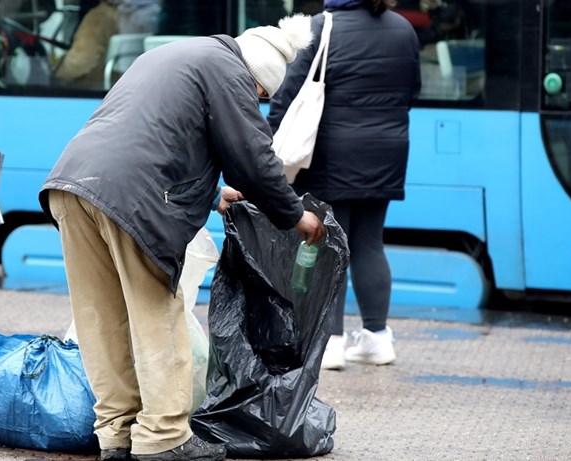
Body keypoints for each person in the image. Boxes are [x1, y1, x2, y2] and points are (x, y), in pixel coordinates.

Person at [39, 14, 323, 461]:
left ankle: (116, 433)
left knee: (101, 318)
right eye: (260, 96)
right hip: (131, 200)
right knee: (158, 314)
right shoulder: (231, 72)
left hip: (71, 186)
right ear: (258, 78)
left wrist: (214, 194)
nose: (256, 102)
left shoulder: (177, 55)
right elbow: (253, 157)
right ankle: (164, 438)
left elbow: (152, 137)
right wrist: (295, 216)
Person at [267, 0, 420, 371]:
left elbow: (288, 95)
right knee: (369, 242)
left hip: (331, 152)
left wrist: (269, 144)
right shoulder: (403, 29)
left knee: (324, 244)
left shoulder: (322, 26)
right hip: (387, 151)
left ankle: (331, 343)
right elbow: (412, 90)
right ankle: (377, 339)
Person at [53, 0, 119, 88]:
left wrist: (54, 77)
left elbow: (79, 64)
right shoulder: (136, 15)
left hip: (92, 92)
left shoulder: (98, 18)